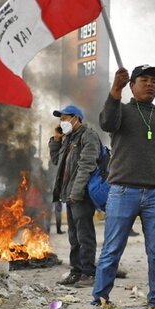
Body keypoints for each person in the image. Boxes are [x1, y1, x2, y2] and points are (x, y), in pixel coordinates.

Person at [93, 65, 155, 309]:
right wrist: (115, 89)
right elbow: (106, 121)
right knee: (112, 250)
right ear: (132, 85)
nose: (150, 84)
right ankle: (99, 302)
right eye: (144, 80)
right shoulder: (121, 111)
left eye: (154, 81)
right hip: (123, 191)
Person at [49, 105, 102, 288]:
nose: (62, 122)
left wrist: (77, 192)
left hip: (82, 194)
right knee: (73, 235)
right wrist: (56, 140)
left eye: (65, 118)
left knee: (84, 234)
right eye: (60, 119)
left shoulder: (88, 136)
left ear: (76, 118)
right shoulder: (68, 139)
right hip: (69, 194)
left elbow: (87, 166)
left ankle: (89, 273)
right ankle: (76, 270)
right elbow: (57, 161)